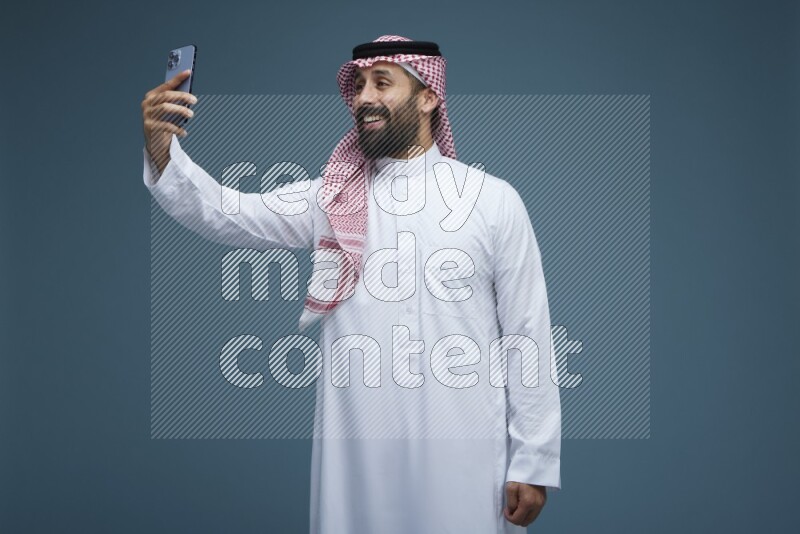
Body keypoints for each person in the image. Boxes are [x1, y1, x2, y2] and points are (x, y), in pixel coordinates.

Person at [140, 35, 561, 533]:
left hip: (463, 448)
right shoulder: (332, 199)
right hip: (358, 448)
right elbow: (228, 213)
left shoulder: (491, 200)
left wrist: (533, 460)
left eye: (382, 83)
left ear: (428, 97)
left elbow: (527, 333)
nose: (364, 98)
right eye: (358, 86)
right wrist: (163, 148)